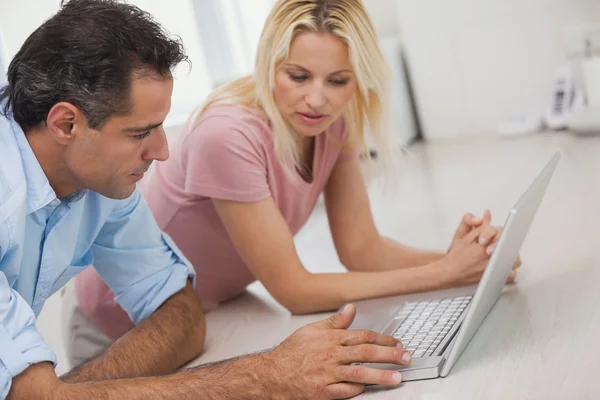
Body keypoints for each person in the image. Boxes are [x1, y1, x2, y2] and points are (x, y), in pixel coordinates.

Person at [69, 0, 519, 368]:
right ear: (269, 65)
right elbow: (294, 291)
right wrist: (444, 274)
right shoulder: (228, 133)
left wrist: (465, 261)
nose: (317, 99)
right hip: (123, 324)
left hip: (212, 306)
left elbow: (362, 248)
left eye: (338, 81)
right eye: (298, 76)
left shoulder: (333, 124)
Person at [0, 1, 413, 399]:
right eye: (140, 133)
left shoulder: (102, 180)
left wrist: (67, 394)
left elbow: (180, 312)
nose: (162, 152)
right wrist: (269, 376)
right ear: (65, 123)